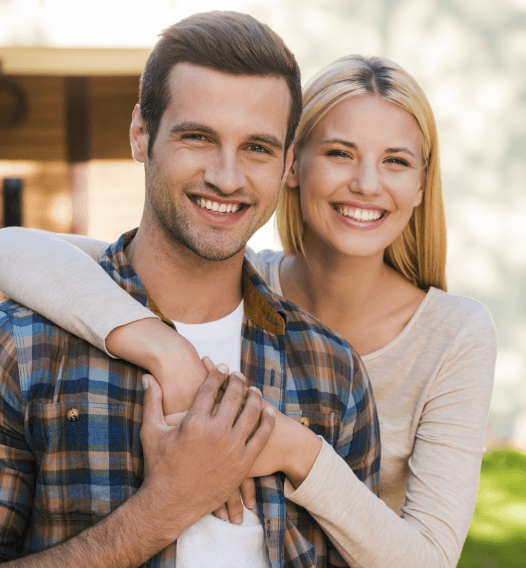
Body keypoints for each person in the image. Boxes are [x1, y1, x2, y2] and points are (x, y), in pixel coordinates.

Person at [0, 53, 498, 568]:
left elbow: (431, 560)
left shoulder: (455, 333)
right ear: (292, 167)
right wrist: (168, 351)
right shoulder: (244, 278)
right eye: (340, 153)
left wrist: (291, 449)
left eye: (396, 161)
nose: (367, 184)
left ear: (421, 183)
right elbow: (14, 251)